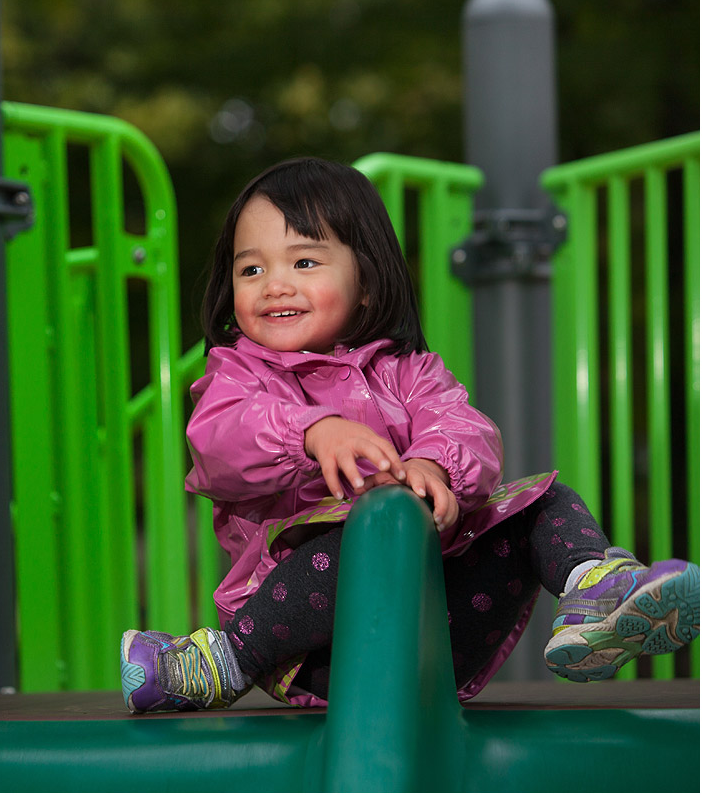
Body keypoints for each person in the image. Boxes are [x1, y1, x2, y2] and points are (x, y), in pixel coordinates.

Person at [119, 157, 699, 714]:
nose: (273, 285)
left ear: (367, 284)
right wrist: (311, 432)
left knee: (544, 499)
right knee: (368, 530)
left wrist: (435, 465)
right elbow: (219, 442)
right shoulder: (237, 377)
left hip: (438, 627)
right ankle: (227, 661)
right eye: (252, 269)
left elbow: (464, 428)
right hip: (307, 643)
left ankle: (594, 594)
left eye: (303, 262)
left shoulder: (411, 372)